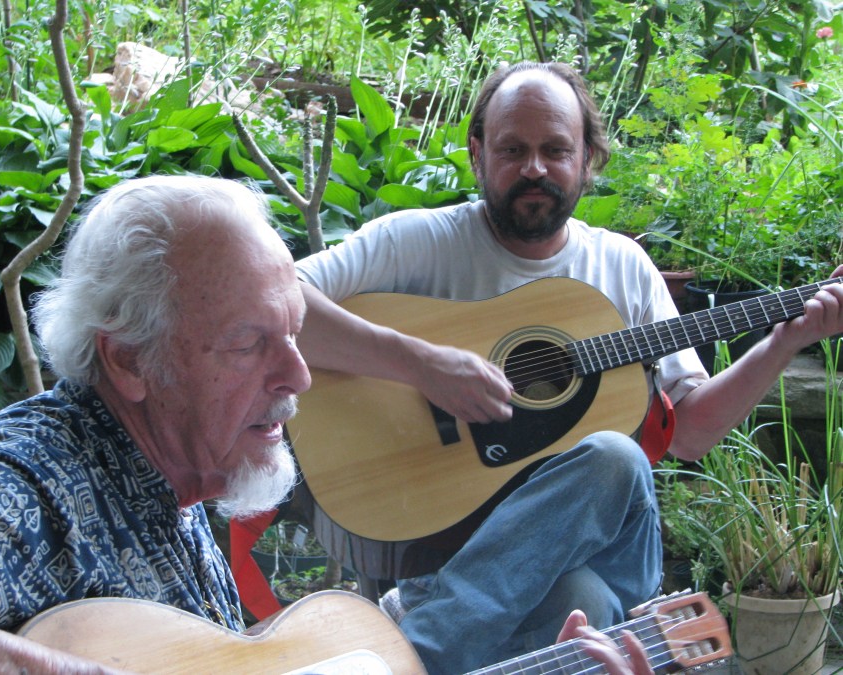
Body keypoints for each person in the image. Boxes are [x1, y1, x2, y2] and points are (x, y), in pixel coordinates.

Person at [0, 174, 654, 674]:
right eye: (249, 343)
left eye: (293, 333)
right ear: (129, 360)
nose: (299, 375)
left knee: (591, 584)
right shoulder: (26, 482)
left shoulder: (176, 484)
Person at [294, 61, 843, 674]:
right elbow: (277, 301)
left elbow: (690, 434)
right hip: (448, 550)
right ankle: (436, 644)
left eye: (555, 150)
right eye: (513, 149)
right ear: (477, 154)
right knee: (588, 588)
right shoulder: (416, 243)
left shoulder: (622, 267)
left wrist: (787, 341)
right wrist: (419, 363)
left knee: (613, 468)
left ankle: (415, 652)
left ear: (588, 160)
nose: (534, 168)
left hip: (589, 547)